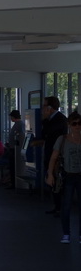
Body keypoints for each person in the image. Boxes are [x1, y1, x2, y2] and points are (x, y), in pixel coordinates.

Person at [45, 111, 81, 243]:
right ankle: (66, 233)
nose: (77, 126)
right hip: (68, 176)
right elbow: (53, 158)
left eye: (79, 123)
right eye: (74, 123)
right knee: (66, 206)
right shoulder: (63, 139)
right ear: (69, 125)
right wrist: (50, 174)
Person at [37, 97, 68, 214]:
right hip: (50, 153)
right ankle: (57, 206)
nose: (42, 109)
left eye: (44, 106)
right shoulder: (51, 120)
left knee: (57, 180)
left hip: (57, 155)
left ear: (49, 108)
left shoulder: (59, 120)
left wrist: (44, 119)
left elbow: (48, 132)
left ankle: (60, 207)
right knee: (51, 180)